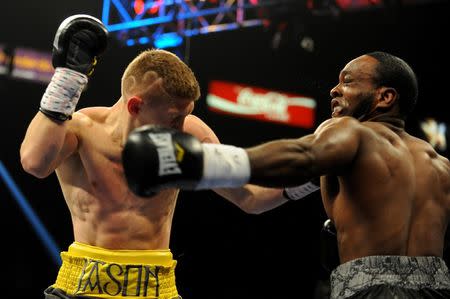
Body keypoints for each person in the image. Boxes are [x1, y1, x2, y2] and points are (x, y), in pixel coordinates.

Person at [123, 51, 450, 298]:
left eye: (348, 81)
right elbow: (262, 194)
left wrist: (195, 161)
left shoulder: (351, 132)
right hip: (437, 285)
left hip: (368, 286)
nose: (334, 90)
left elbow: (303, 155)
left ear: (385, 96)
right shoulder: (439, 163)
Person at [20, 14, 294, 299]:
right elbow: (34, 162)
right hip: (80, 286)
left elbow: (249, 196)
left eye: (186, 115)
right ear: (136, 106)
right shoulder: (82, 129)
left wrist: (312, 177)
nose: (181, 128)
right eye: (174, 119)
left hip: (155, 289)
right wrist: (68, 79)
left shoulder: (190, 131)